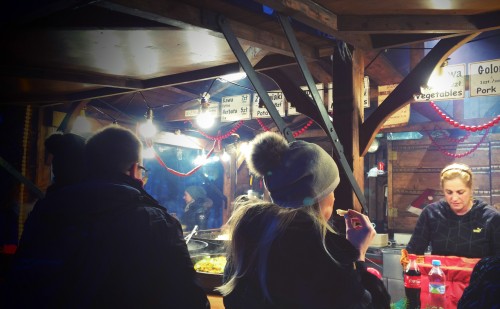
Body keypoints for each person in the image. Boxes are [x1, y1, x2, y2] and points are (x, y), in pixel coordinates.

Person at [5, 125, 209, 309]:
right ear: (133, 169)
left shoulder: (46, 211)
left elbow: (21, 283)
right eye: (142, 170)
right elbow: (190, 300)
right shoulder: (155, 221)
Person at [217, 131, 390, 309]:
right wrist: (357, 256)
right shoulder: (327, 254)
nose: (334, 198)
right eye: (332, 190)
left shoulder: (249, 241)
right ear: (319, 195)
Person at [406, 163, 500, 258]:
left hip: (478, 273)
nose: (454, 198)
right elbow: (412, 253)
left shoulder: (491, 217)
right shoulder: (431, 213)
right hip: (440, 272)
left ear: (471, 189)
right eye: (449, 192)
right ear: (443, 190)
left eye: (460, 192)